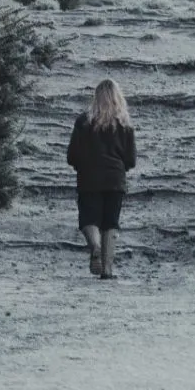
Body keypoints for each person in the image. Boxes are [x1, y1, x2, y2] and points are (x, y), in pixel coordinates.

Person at [66, 78, 137, 278]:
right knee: (110, 223)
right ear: (118, 98)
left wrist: (80, 165)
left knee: (89, 219)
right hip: (115, 179)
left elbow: (72, 155)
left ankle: (95, 246)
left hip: (89, 178)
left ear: (95, 97)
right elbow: (131, 160)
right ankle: (107, 271)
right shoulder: (124, 124)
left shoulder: (83, 121)